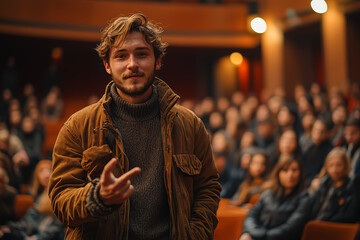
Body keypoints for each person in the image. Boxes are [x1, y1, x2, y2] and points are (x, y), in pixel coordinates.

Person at [48, 13, 221, 240]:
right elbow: (60, 200)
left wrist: (195, 234)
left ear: (157, 61)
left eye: (141, 54)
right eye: (121, 56)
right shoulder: (77, 127)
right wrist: (97, 197)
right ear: (107, 65)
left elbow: (208, 188)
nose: (132, 64)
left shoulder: (190, 124)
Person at [240, 156, 311, 240]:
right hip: (260, 235)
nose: (290, 175)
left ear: (300, 173)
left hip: (281, 238)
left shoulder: (304, 198)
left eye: (294, 170)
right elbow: (251, 216)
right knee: (245, 237)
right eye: (285, 170)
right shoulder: (267, 194)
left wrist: (264, 235)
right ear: (278, 173)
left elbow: (291, 227)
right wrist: (256, 232)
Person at [309, 147, 360, 223]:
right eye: (331, 165)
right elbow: (312, 208)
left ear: (346, 166)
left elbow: (349, 216)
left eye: (339, 165)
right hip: (315, 224)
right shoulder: (324, 183)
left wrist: (323, 222)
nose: (334, 170)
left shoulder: (352, 186)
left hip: (333, 228)